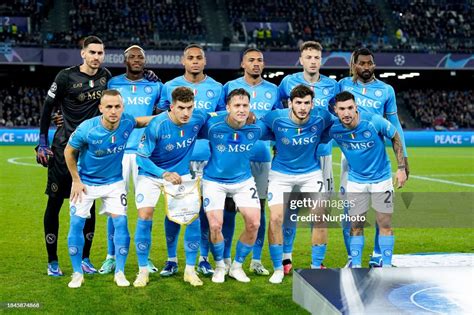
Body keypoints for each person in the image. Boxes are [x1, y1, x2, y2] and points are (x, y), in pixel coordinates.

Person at [36, 36, 110, 276]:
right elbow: (48, 108)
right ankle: (52, 261)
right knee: (55, 203)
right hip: (63, 150)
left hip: (90, 152)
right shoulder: (65, 77)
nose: (96, 57)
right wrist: (42, 142)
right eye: (92, 52)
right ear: (83, 54)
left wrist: (148, 75)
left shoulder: (105, 76)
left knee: (88, 205)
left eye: (100, 53)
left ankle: (86, 258)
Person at [64, 90, 154, 288]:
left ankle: (120, 272)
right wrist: (76, 180)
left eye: (117, 106)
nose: (113, 111)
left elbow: (141, 121)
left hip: (114, 182)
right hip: (86, 183)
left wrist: (168, 116)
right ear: (101, 108)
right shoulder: (87, 129)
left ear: (122, 108)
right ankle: (77, 273)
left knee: (121, 223)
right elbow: (69, 151)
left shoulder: (127, 122)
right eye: (109, 107)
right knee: (76, 225)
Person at [157, 44, 225, 277]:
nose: (195, 61)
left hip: (209, 159)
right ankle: (171, 258)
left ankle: (203, 258)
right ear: (183, 61)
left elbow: (219, 122)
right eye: (190, 58)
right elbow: (162, 120)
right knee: (173, 210)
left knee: (205, 210)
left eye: (199, 58)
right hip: (177, 161)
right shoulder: (169, 87)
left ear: (205, 61)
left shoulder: (217, 88)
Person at [338, 48, 409, 267]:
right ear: (354, 64)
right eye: (362, 63)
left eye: (370, 63)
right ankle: (353, 258)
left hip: (376, 156)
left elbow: (394, 127)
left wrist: (403, 161)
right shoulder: (343, 85)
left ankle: (379, 255)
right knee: (348, 213)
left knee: (382, 213)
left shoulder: (386, 90)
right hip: (349, 157)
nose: (366, 67)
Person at [133, 87, 209, 287]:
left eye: (190, 108)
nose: (186, 113)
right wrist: (163, 174)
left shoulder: (198, 118)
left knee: (192, 217)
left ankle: (190, 271)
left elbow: (220, 119)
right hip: (151, 174)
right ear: (172, 107)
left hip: (180, 174)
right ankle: (142, 271)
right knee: (145, 215)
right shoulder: (157, 124)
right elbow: (141, 158)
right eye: (181, 108)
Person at [260, 85, 334, 284]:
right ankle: (278, 267)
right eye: (298, 103)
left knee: (320, 216)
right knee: (276, 218)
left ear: (312, 104)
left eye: (306, 103)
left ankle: (316, 267)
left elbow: (337, 126)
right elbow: (255, 126)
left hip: (311, 173)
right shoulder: (274, 117)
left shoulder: (322, 117)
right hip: (280, 174)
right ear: (290, 103)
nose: (302, 107)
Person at [98, 45, 162, 275]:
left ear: (145, 61)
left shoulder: (156, 85)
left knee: (146, 209)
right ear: (124, 60)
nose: (136, 59)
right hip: (118, 153)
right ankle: (111, 256)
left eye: (140, 57)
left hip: (144, 154)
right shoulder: (112, 83)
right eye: (132, 56)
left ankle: (145, 257)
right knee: (114, 207)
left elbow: (163, 114)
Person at [278, 41, 339, 274]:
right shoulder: (287, 83)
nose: (313, 61)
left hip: (322, 156)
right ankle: (286, 259)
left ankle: (317, 261)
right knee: (291, 210)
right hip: (293, 157)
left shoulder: (331, 86)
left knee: (320, 211)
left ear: (320, 60)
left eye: (317, 57)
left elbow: (337, 115)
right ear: (301, 60)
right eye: (309, 57)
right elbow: (280, 114)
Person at [221, 48, 282, 276]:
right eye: (251, 60)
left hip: (261, 157)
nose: (256, 64)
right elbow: (221, 118)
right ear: (242, 64)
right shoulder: (229, 88)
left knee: (260, 210)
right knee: (229, 209)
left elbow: (278, 123)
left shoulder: (273, 90)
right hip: (234, 157)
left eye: (259, 60)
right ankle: (226, 259)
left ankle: (256, 260)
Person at [329, 91, 407, 268]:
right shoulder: (334, 128)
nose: (346, 113)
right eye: (342, 109)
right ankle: (356, 266)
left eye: (350, 108)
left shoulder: (373, 121)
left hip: (381, 179)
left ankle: (386, 266)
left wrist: (401, 168)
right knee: (356, 225)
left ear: (356, 107)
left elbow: (395, 136)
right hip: (356, 181)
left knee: (384, 223)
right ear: (336, 110)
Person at [201, 88, 266, 283]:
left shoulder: (257, 128)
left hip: (243, 181)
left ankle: (237, 266)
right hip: (214, 181)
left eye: (245, 105)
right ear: (227, 107)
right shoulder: (212, 125)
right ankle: (220, 265)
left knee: (254, 223)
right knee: (215, 225)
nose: (241, 110)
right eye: (237, 105)